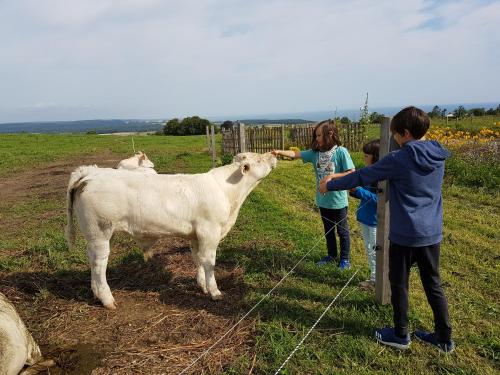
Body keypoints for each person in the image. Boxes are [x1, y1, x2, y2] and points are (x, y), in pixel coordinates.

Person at [319, 106, 454, 353]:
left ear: (404, 133)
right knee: (433, 283)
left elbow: (363, 176)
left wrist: (332, 184)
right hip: (432, 232)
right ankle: (444, 338)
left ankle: (400, 334)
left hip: (405, 233)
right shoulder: (438, 154)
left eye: (395, 135)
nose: (393, 139)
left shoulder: (399, 159)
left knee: (399, 283)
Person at [273, 119, 355, 269]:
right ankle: (331, 255)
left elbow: (351, 173)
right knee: (328, 230)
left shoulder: (341, 152)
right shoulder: (314, 153)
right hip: (323, 202)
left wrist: (332, 177)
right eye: (315, 136)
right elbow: (295, 154)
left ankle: (345, 259)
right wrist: (278, 152)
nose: (316, 138)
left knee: (342, 231)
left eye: (318, 135)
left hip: (338, 202)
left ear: (329, 134)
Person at [349, 139, 380, 290]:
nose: (364, 158)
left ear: (376, 157)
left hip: (375, 221)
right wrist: (355, 192)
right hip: (366, 218)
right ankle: (374, 278)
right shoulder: (369, 173)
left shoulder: (381, 177)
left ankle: (377, 281)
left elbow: (381, 200)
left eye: (366, 156)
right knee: (369, 249)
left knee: (375, 251)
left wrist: (359, 191)